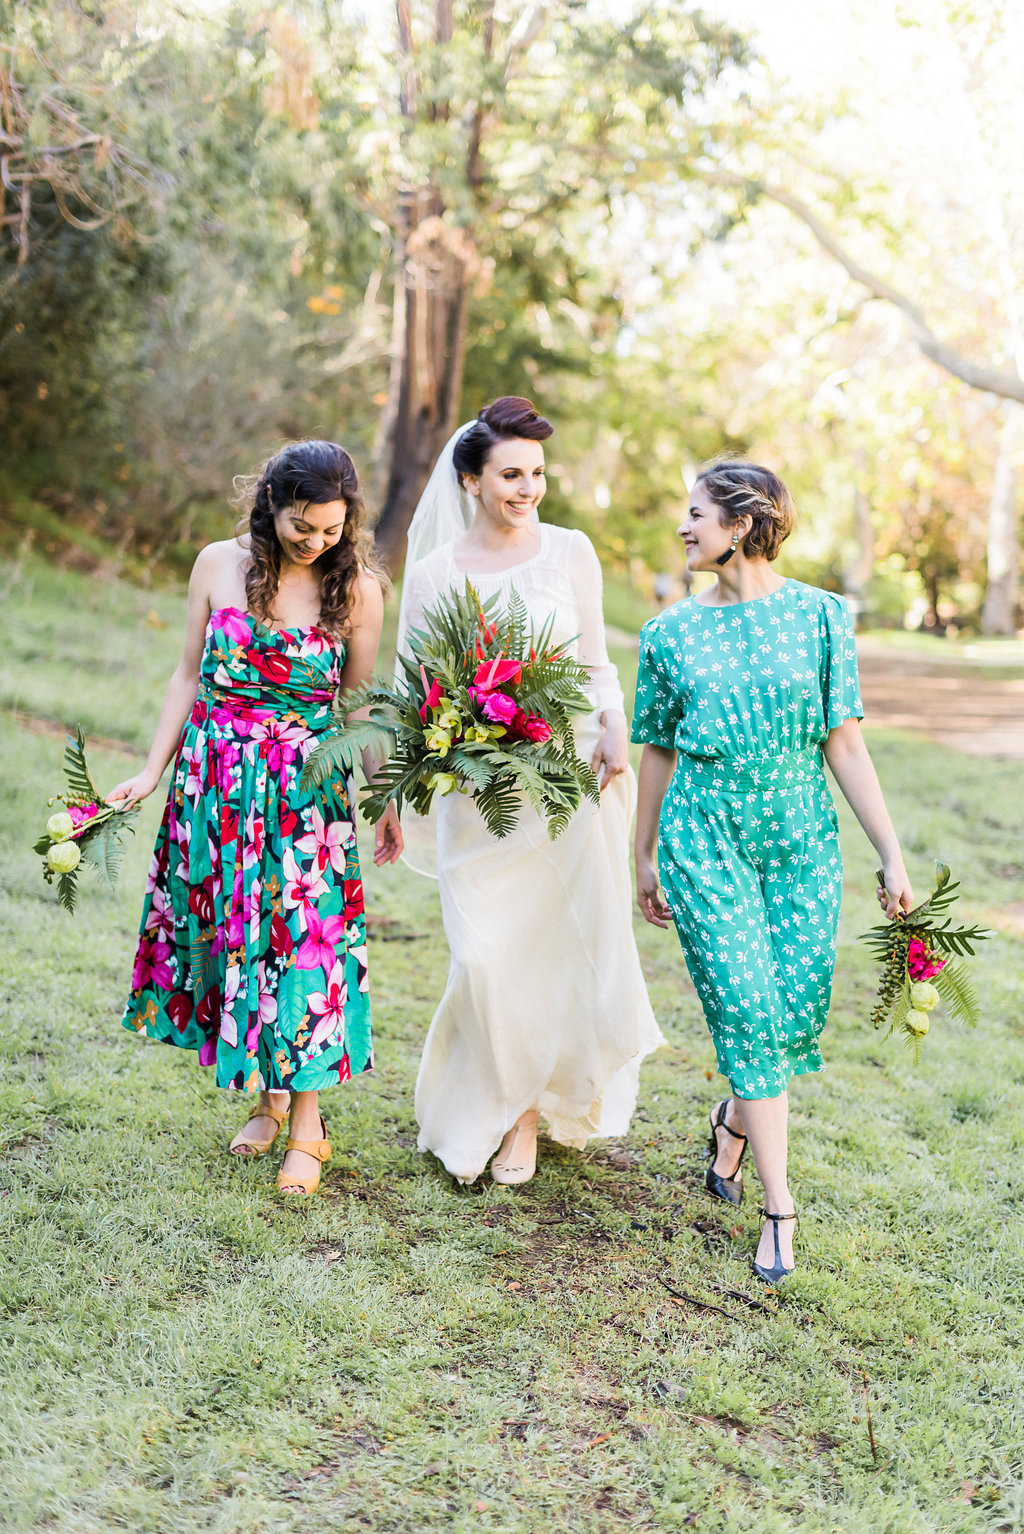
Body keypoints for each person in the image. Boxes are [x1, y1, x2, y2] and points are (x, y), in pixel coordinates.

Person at [632, 460, 912, 1283]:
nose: (684, 528)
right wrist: (642, 853)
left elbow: (845, 744)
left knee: (790, 1012)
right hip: (705, 837)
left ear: (745, 523)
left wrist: (890, 853)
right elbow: (656, 747)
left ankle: (735, 1116)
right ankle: (780, 1209)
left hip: (800, 840)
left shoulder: (824, 617)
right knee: (749, 1010)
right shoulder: (669, 633)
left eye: (697, 515)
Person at [108, 441, 403, 1196]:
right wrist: (152, 768)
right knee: (240, 943)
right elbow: (186, 674)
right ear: (269, 502)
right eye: (303, 525)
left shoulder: (360, 591)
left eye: (332, 530)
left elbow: (358, 707)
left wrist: (384, 794)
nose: (316, 542)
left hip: (306, 795)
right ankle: (267, 1100)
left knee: (305, 951)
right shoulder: (217, 563)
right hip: (215, 786)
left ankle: (309, 1123)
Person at [398, 397, 663, 1186]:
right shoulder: (437, 572)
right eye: (511, 474)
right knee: (483, 956)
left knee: (552, 951)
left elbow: (592, 657)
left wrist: (615, 720)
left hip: (566, 779)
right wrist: (442, 743)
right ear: (472, 481)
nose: (528, 488)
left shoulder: (571, 550)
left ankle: (522, 1118)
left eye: (538, 474)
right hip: (476, 791)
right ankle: (491, 1098)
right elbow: (420, 683)